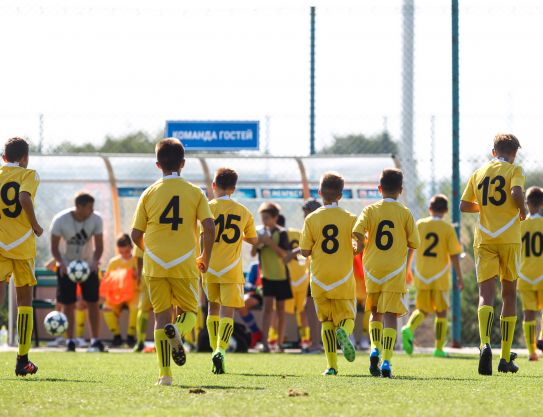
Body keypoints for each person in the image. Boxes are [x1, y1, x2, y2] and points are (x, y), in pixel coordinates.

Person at [131, 138, 215, 386]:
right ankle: (179, 332)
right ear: (183, 163)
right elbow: (209, 228)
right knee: (190, 311)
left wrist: (151, 252)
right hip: (183, 262)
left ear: (158, 165)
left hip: (155, 263)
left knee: (160, 316)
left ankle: (165, 375)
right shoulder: (195, 192)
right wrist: (205, 257)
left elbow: (136, 235)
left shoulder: (148, 193)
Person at [460, 133, 526, 375]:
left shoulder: (479, 172)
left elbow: (464, 205)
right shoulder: (515, 170)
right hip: (509, 239)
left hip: (485, 239)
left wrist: (485, 206)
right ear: (514, 153)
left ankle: (484, 343)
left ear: (493, 151)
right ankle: (506, 356)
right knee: (509, 294)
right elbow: (516, 193)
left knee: (484, 295)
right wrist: (522, 209)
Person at [353, 168, 420, 378]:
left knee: (375, 313)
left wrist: (361, 246)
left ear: (379, 188)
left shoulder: (370, 210)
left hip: (372, 269)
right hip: (394, 270)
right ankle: (387, 361)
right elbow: (414, 243)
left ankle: (375, 349)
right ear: (400, 190)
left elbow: (357, 231)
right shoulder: (405, 212)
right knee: (391, 315)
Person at [300, 172, 358, 375]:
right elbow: (359, 246)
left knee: (326, 322)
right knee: (348, 316)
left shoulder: (311, 218)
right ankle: (345, 331)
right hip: (342, 278)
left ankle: (331, 366)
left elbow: (304, 251)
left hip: (319, 279)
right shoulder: (351, 218)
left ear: (319, 193)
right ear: (341, 195)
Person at [203, 167, 257, 374]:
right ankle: (221, 350)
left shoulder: (207, 208)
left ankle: (213, 350)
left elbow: (202, 234)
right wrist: (240, 236)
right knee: (228, 311)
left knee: (212, 309)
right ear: (233, 189)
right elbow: (253, 239)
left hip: (209, 267)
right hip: (231, 270)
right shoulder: (243, 211)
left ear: (214, 185)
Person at [401, 194, 464, 357]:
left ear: (430, 209)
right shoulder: (447, 228)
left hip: (422, 275)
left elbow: (411, 248)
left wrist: (407, 269)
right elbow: (454, 255)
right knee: (441, 312)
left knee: (422, 309)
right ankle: (438, 349)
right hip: (440, 276)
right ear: (446, 210)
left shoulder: (420, 224)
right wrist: (459, 276)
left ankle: (408, 328)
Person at [0, 137, 43, 376]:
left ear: (4, 157)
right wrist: (35, 225)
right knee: (24, 302)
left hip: (0, 243)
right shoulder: (29, 174)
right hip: (22, 246)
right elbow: (24, 197)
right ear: (25, 158)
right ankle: (22, 360)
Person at [51, 192, 105, 353]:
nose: (92, 210)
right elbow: (54, 248)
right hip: (67, 266)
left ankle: (95, 340)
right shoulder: (60, 220)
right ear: (79, 207)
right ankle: (70, 341)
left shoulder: (96, 219)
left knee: (92, 303)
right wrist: (61, 263)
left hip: (88, 266)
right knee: (68, 304)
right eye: (89, 207)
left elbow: (99, 246)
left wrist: (95, 261)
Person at [251, 202, 292, 352]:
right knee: (267, 309)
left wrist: (270, 243)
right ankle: (265, 343)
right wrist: (258, 243)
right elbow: (253, 254)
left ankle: (280, 343)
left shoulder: (281, 232)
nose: (264, 221)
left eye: (267, 218)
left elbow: (285, 254)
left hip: (281, 276)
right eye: (262, 218)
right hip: (266, 277)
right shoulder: (259, 232)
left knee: (281, 310)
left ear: (275, 218)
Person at [517, 186, 543, 361]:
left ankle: (532, 351)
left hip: (525, 274)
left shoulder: (520, 225)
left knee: (529, 314)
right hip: (542, 273)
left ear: (526, 204)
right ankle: (542, 338)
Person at [278, 214, 311, 350]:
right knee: (302, 311)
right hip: (303, 276)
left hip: (288, 277)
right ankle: (306, 340)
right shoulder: (298, 232)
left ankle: (276, 340)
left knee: (281, 311)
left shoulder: (279, 235)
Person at [100, 234, 139, 347]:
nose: (124, 255)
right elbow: (108, 280)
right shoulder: (113, 262)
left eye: (126, 252)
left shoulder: (137, 261)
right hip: (117, 295)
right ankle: (116, 337)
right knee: (106, 307)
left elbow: (143, 279)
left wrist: (137, 275)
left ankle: (130, 337)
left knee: (136, 308)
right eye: (121, 252)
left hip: (134, 293)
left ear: (131, 248)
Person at [238, 262, 263, 348]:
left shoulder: (276, 263)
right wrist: (256, 289)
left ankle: (274, 340)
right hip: (258, 295)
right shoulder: (255, 266)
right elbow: (248, 283)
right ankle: (256, 332)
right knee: (242, 305)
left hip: (275, 294)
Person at [133, 245, 153, 352]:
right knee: (169, 308)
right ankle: (170, 341)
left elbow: (139, 256)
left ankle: (140, 340)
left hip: (148, 275)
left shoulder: (144, 231)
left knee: (143, 309)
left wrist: (139, 274)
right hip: (168, 273)